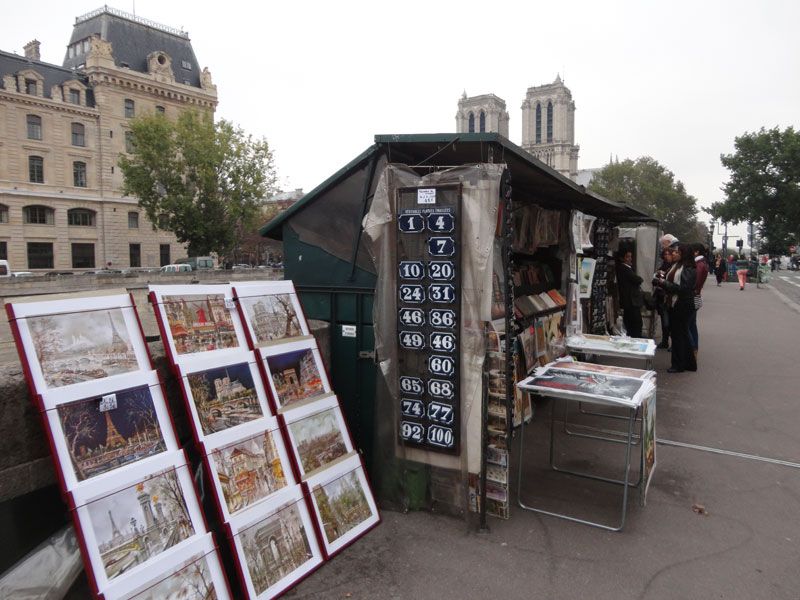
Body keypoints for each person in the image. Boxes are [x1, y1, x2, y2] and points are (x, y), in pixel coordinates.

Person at [654, 243, 696, 373]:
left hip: (681, 304)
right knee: (681, 334)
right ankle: (687, 363)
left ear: (684, 254)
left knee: (678, 335)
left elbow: (683, 288)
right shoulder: (678, 266)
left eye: (677, 252)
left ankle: (678, 364)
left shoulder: (687, 268)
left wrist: (663, 283)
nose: (674, 254)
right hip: (676, 303)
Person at [616, 248, 644, 338]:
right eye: (628, 257)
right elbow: (637, 279)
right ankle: (636, 337)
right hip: (630, 301)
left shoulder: (626, 268)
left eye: (630, 257)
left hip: (629, 301)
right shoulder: (625, 268)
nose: (630, 259)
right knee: (635, 322)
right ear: (622, 258)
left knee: (633, 321)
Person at [689, 243, 709, 360]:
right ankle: (693, 349)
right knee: (692, 324)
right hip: (696, 295)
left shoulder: (698, 265)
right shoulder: (701, 263)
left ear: (696, 252)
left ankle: (692, 349)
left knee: (688, 325)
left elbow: (694, 282)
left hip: (692, 296)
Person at [654, 246, 674, 349]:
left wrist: (662, 277)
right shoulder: (663, 265)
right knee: (664, 321)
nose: (667, 256)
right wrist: (658, 275)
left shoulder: (673, 266)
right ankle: (665, 341)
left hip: (668, 297)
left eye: (668, 254)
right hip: (661, 296)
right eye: (665, 254)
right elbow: (655, 280)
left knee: (668, 322)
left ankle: (672, 342)